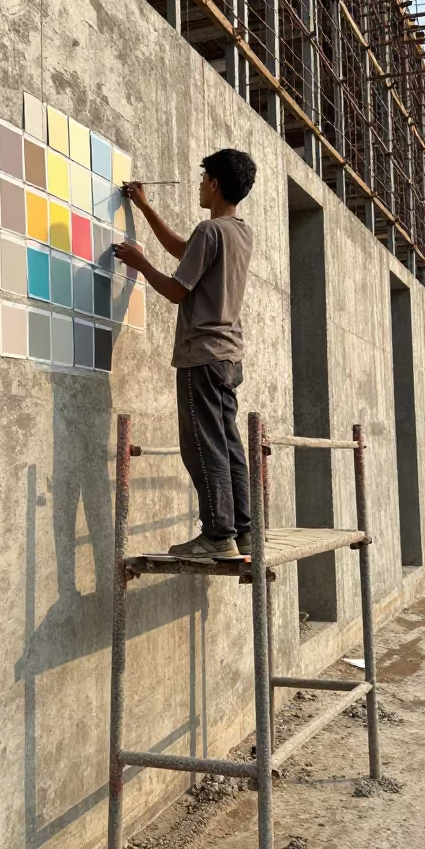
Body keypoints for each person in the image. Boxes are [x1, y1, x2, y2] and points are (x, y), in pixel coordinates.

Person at [114, 149, 256, 557]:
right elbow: (186, 250)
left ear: (213, 183)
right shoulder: (238, 232)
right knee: (227, 444)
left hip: (202, 356)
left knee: (202, 444)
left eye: (202, 178)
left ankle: (216, 536)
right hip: (227, 358)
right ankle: (242, 530)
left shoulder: (211, 232)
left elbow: (178, 290)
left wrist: (140, 263)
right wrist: (145, 207)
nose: (198, 185)